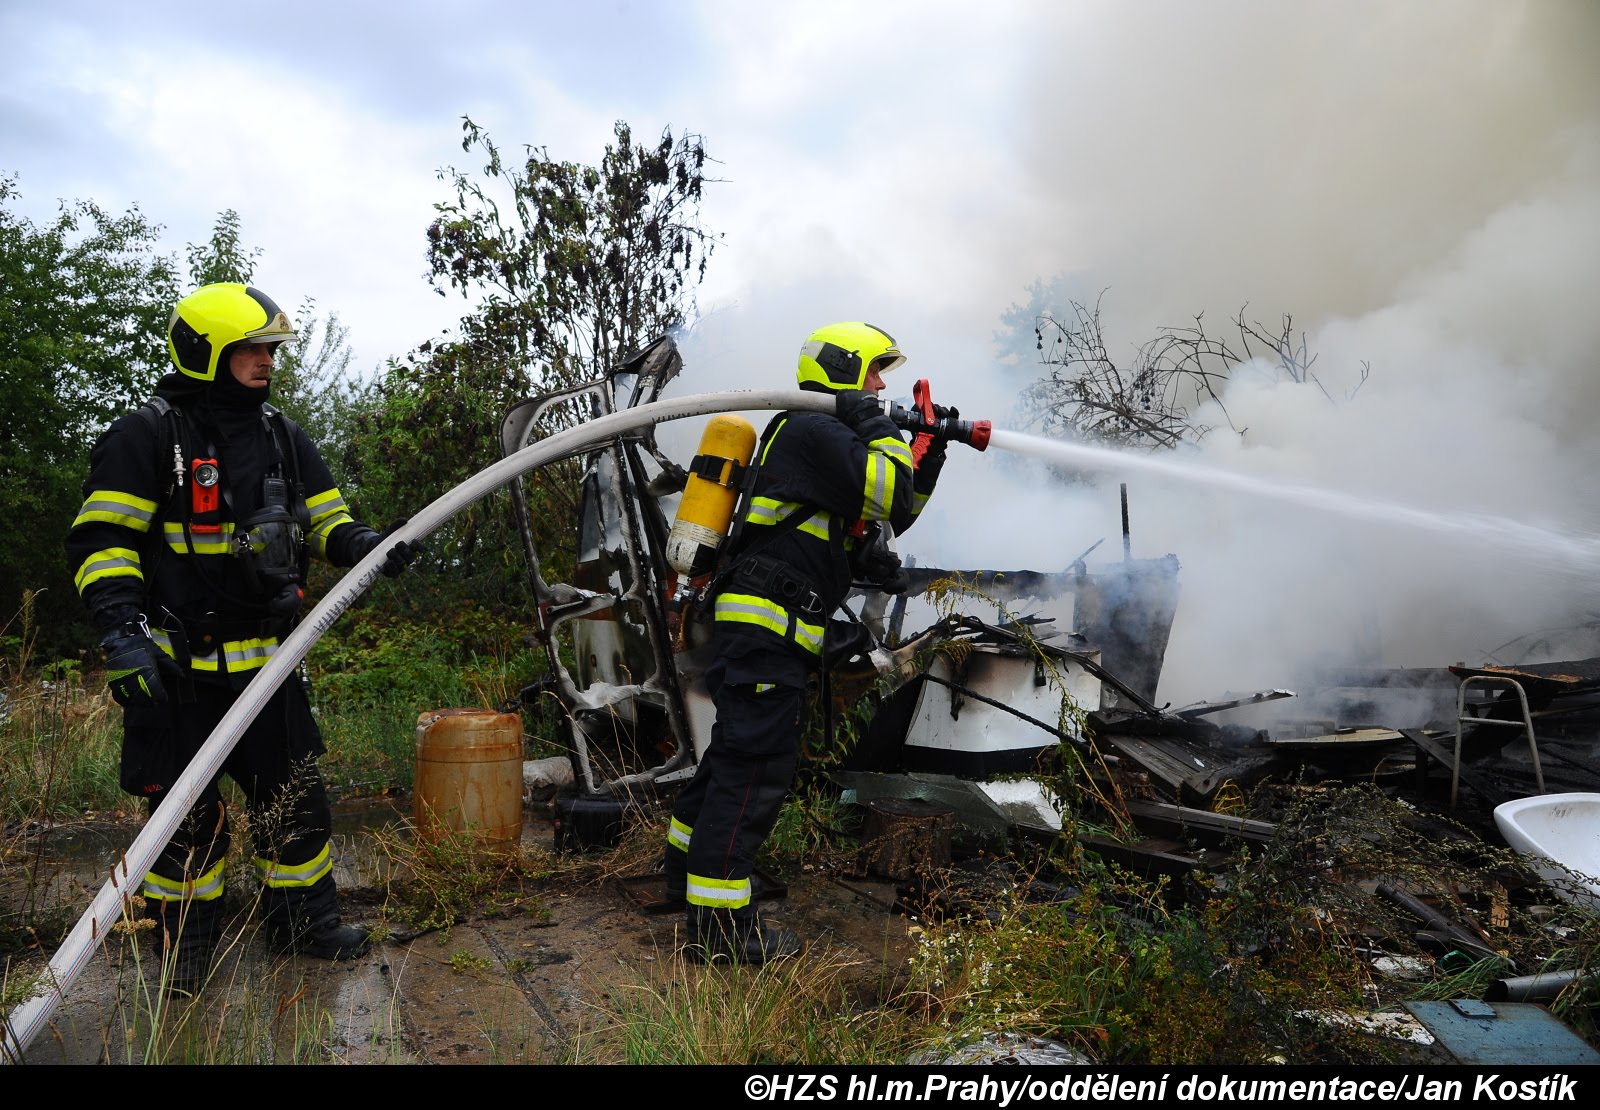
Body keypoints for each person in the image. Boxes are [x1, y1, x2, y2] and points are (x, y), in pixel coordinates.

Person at [65, 282, 414, 995]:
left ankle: (303, 925)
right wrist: (123, 636)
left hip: (269, 669)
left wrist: (368, 545)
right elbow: (103, 543)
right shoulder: (146, 437)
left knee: (297, 805)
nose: (267, 362)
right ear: (205, 352)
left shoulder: (283, 437)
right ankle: (187, 951)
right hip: (179, 672)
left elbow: (329, 521)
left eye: (270, 349)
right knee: (187, 823)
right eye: (251, 349)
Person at [663, 321, 951, 963]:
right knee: (754, 770)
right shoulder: (815, 429)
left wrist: (929, 453)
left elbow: (893, 509)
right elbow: (885, 488)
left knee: (734, 756)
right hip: (769, 626)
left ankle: (683, 871)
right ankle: (719, 929)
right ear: (843, 370)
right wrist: (876, 424)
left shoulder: (816, 436)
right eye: (873, 373)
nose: (880, 388)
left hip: (764, 627)